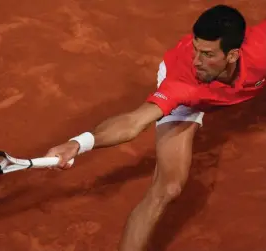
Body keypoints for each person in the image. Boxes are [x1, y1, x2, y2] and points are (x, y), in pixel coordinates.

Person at [44, 4, 266, 251]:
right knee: (168, 187)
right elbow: (133, 122)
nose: (197, 61)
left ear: (233, 55)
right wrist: (78, 143)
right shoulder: (184, 81)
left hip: (220, 86)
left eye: (207, 54)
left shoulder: (260, 49)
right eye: (196, 50)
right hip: (191, 96)